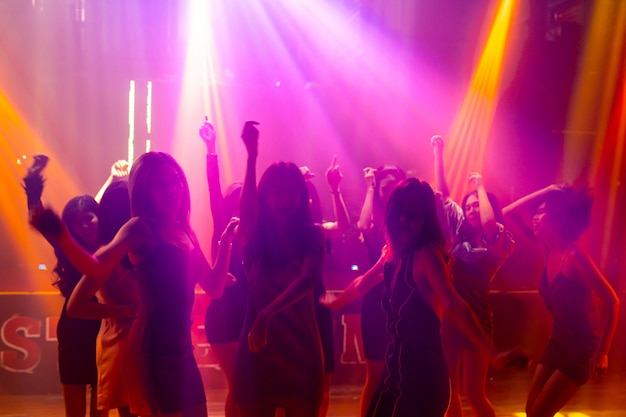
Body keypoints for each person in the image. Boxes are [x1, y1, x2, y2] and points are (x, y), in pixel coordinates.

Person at [29, 151, 238, 417]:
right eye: (160, 184)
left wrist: (225, 243)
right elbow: (95, 266)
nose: (172, 188)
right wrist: (61, 235)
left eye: (174, 180)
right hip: (151, 349)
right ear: (144, 190)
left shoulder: (184, 230)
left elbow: (215, 287)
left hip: (182, 348)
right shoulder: (139, 228)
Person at [323, 178, 510, 417]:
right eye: (400, 213)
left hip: (424, 376)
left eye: (414, 215)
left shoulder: (427, 254)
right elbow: (362, 283)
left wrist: (490, 351)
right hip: (397, 368)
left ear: (426, 220)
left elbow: (452, 302)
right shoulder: (392, 254)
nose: (404, 221)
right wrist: (336, 302)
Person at [23, 154, 127, 417]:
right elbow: (40, 219)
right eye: (76, 222)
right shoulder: (66, 249)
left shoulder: (109, 248)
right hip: (73, 332)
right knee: (75, 411)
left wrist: (112, 179)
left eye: (89, 218)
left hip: (103, 331)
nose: (83, 226)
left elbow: (98, 207)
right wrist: (33, 184)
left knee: (99, 411)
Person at [502, 184, 620, 417]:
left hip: (582, 349)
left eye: (541, 212)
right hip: (558, 343)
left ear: (557, 219)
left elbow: (612, 300)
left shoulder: (574, 256)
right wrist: (547, 191)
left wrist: (603, 352)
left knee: (538, 414)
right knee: (531, 411)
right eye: (535, 213)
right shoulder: (547, 252)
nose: (534, 218)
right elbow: (507, 213)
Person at [234, 121, 325, 417]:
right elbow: (246, 213)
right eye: (277, 192)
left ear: (302, 197)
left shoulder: (313, 235)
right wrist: (251, 158)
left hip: (300, 348)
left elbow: (308, 281)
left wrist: (265, 314)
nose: (285, 199)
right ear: (265, 195)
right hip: (258, 348)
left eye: (291, 192)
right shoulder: (255, 238)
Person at [431, 135, 516, 417]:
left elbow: (491, 222)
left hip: (478, 319)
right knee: (448, 391)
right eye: (467, 207)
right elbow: (441, 196)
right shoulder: (458, 234)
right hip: (451, 316)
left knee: (473, 392)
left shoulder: (500, 241)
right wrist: (438, 152)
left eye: (476, 204)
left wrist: (480, 186)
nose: (470, 209)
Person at [67, 180, 138, 417]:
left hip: (135, 337)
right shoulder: (108, 253)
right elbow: (75, 307)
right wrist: (125, 310)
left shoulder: (134, 245)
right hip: (119, 338)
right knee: (125, 408)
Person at [199, 118, 246, 417]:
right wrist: (211, 148)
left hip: (245, 315)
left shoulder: (257, 235)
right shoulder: (224, 225)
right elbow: (213, 187)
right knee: (240, 385)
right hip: (224, 314)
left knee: (243, 388)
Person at [302, 155, 351, 417]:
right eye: (301, 193)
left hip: (317, 308)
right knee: (291, 383)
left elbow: (343, 225)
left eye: (309, 195)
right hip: (290, 311)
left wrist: (334, 189)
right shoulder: (276, 231)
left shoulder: (317, 230)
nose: (307, 199)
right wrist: (295, 179)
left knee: (322, 383)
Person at [354, 164, 405, 417]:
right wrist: (371, 187)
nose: (389, 189)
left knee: (401, 374)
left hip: (403, 303)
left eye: (393, 184)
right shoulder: (375, 221)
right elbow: (362, 225)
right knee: (375, 375)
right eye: (385, 185)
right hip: (376, 305)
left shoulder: (408, 220)